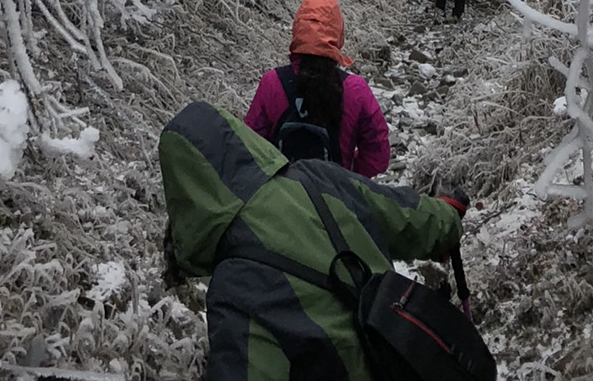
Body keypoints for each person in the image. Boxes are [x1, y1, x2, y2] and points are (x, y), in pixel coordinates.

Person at [159, 99, 469, 380]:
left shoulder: (233, 288)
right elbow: (406, 218)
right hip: (405, 356)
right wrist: (447, 217)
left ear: (187, 194)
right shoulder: (318, 176)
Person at [243, 0, 390, 176]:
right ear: (338, 34)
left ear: (297, 30)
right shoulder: (355, 89)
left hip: (280, 199)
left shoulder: (272, 82)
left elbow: (248, 147)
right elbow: (378, 157)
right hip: (336, 197)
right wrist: (349, 175)